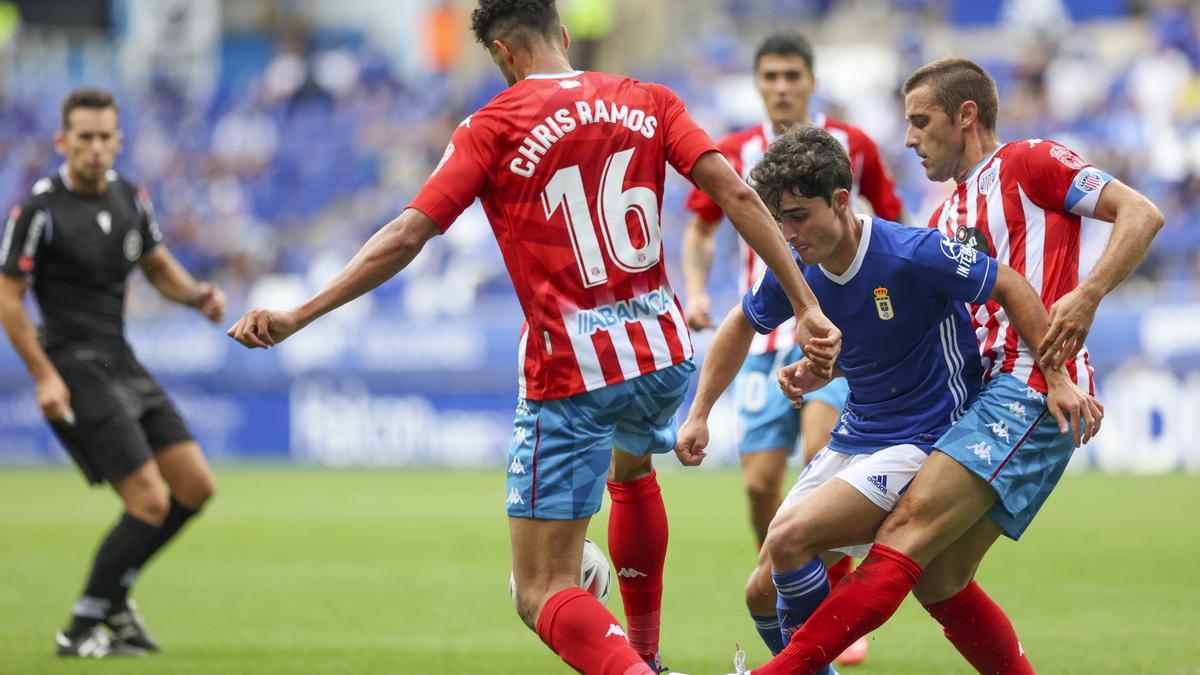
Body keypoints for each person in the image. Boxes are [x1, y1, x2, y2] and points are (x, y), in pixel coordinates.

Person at [226, 2, 839, 674]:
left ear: (505, 55)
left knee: (541, 587)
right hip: (661, 354)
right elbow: (739, 196)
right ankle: (645, 651)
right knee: (632, 468)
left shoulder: (494, 124)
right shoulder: (649, 99)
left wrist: (299, 312)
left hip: (572, 370)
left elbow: (408, 234)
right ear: (565, 36)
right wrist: (805, 303)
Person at [736, 58, 1162, 675]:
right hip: (980, 393)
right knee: (939, 582)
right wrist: (824, 371)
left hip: (1027, 384)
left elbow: (1142, 213)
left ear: (965, 117)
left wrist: (1087, 298)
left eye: (920, 121)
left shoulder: (1030, 161)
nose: (908, 138)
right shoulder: (945, 218)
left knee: (903, 533)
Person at [673, 125, 1091, 675]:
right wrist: (699, 413)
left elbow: (1010, 284)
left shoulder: (911, 253)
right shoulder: (797, 268)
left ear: (841, 200)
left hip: (926, 439)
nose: (788, 232)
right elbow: (738, 324)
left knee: (790, 536)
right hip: (858, 435)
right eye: (779, 219)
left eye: (799, 215)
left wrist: (1055, 373)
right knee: (760, 593)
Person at [679, 31, 905, 666]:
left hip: (834, 333)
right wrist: (696, 288)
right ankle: (793, 591)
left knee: (819, 452)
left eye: (791, 77)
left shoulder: (852, 146)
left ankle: (831, 606)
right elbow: (700, 232)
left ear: (811, 81)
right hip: (763, 337)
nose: (781, 88)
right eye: (770, 77)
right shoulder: (732, 151)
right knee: (758, 487)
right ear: (758, 84)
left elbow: (892, 219)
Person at [0, 88, 225, 658]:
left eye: (105, 137)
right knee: (148, 502)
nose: (96, 148)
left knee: (195, 486)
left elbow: (157, 265)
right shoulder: (38, 209)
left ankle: (116, 599)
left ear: (118, 141)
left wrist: (197, 295)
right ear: (62, 141)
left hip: (121, 359)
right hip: (76, 364)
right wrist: (44, 376)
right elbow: (8, 297)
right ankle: (79, 629)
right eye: (85, 137)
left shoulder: (130, 196)